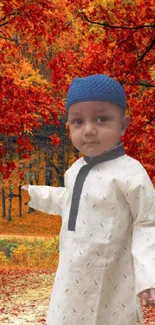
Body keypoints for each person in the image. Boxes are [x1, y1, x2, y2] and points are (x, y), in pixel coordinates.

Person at [22, 74, 155, 325]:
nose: (89, 130)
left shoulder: (130, 173)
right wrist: (37, 194)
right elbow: (72, 200)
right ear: (69, 128)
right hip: (72, 273)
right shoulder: (74, 169)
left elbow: (148, 222)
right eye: (78, 121)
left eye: (102, 119)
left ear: (123, 125)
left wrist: (149, 276)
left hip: (112, 274)